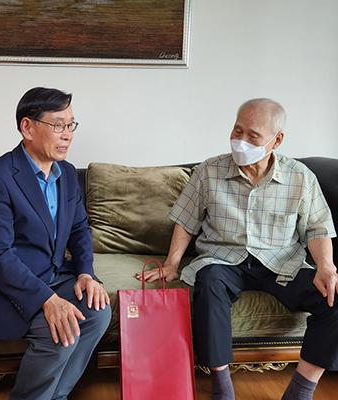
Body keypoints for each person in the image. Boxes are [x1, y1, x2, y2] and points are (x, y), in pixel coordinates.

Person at [139, 98, 337, 400]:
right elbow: (186, 221)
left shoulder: (300, 177)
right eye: (237, 130)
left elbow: (318, 228)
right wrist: (172, 264)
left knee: (334, 298)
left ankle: (301, 390)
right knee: (209, 284)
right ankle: (222, 387)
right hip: (223, 260)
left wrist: (326, 266)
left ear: (276, 140)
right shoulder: (209, 171)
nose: (240, 141)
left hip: (280, 263)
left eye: (253, 136)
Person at [0, 87, 111, 400]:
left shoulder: (67, 174)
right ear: (27, 127)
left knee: (98, 311)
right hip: (7, 288)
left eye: (70, 125)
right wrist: (48, 300)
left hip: (53, 275)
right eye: (58, 125)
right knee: (61, 331)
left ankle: (56, 395)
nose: (67, 134)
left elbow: (79, 229)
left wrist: (86, 272)